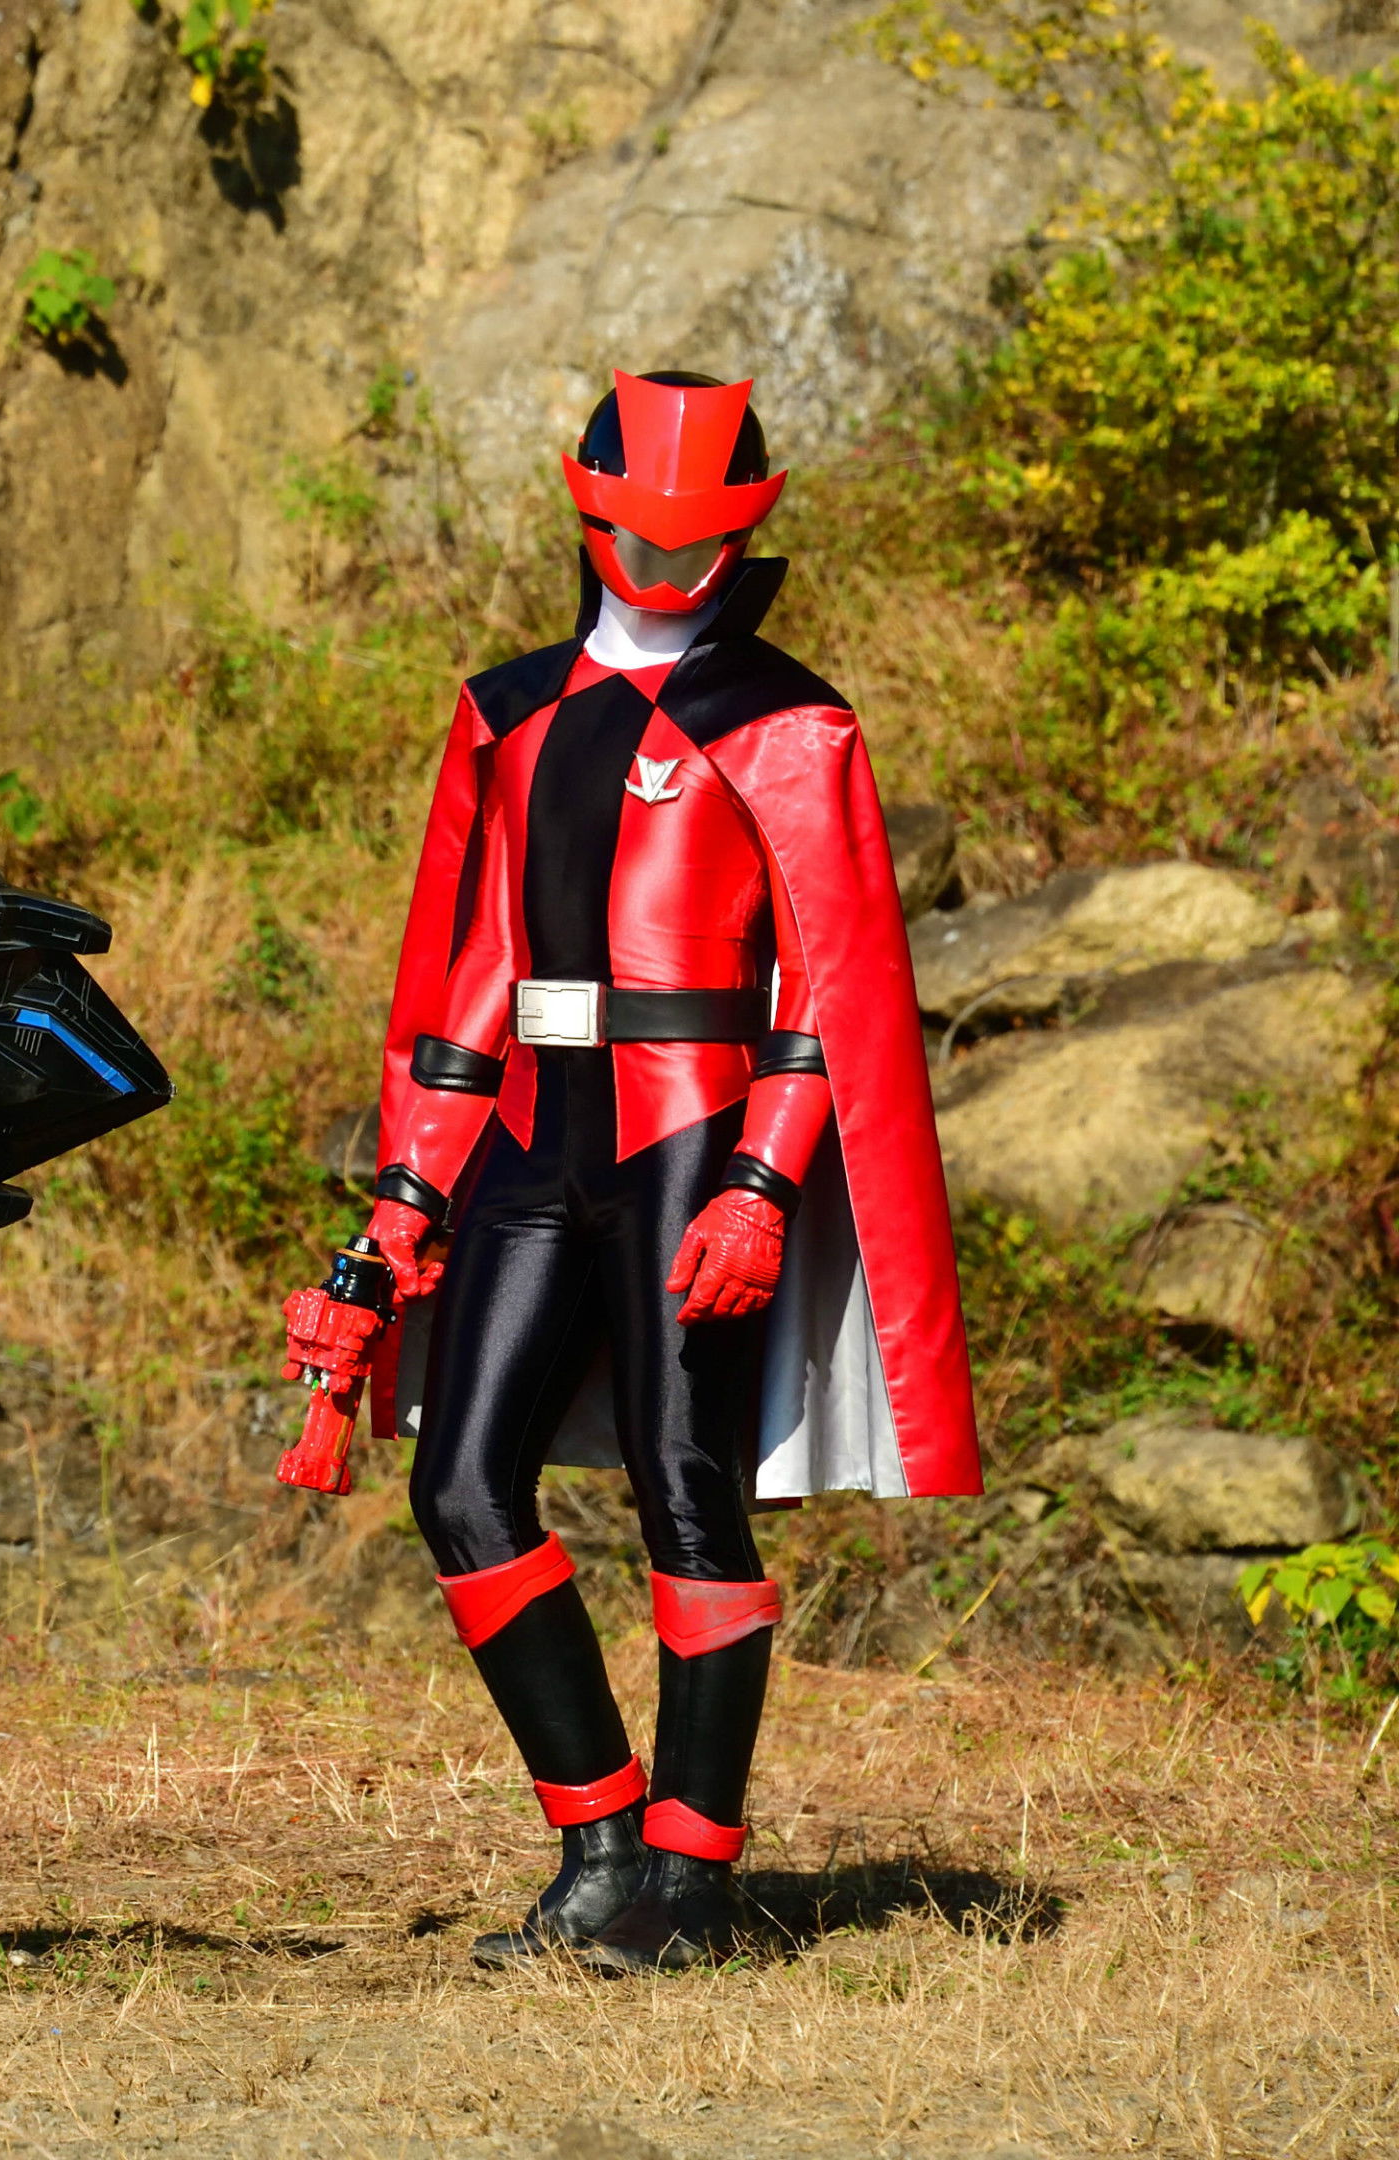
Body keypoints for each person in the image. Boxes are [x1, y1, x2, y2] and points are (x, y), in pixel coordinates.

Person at [282, 371, 978, 1974]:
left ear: (750, 525)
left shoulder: (792, 722)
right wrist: (404, 1196)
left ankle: (696, 1881)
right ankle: (599, 1848)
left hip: (694, 1137)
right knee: (460, 1486)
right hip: (532, 1136)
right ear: (586, 509)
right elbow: (472, 966)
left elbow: (825, 986)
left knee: (688, 1490)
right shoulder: (509, 709)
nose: (665, 561)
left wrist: (763, 1182)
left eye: (697, 535)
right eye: (639, 532)